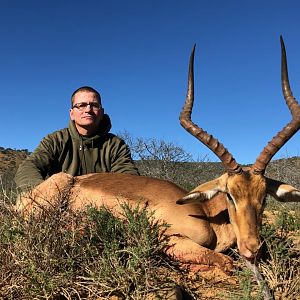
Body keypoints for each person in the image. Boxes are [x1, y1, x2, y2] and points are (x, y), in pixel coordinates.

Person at [15, 86, 139, 192]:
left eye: (94, 105)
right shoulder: (55, 140)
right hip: (60, 202)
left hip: (102, 204)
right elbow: (28, 167)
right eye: (81, 105)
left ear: (101, 112)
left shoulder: (116, 145)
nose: (88, 110)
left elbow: (128, 178)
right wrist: (45, 194)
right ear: (72, 113)